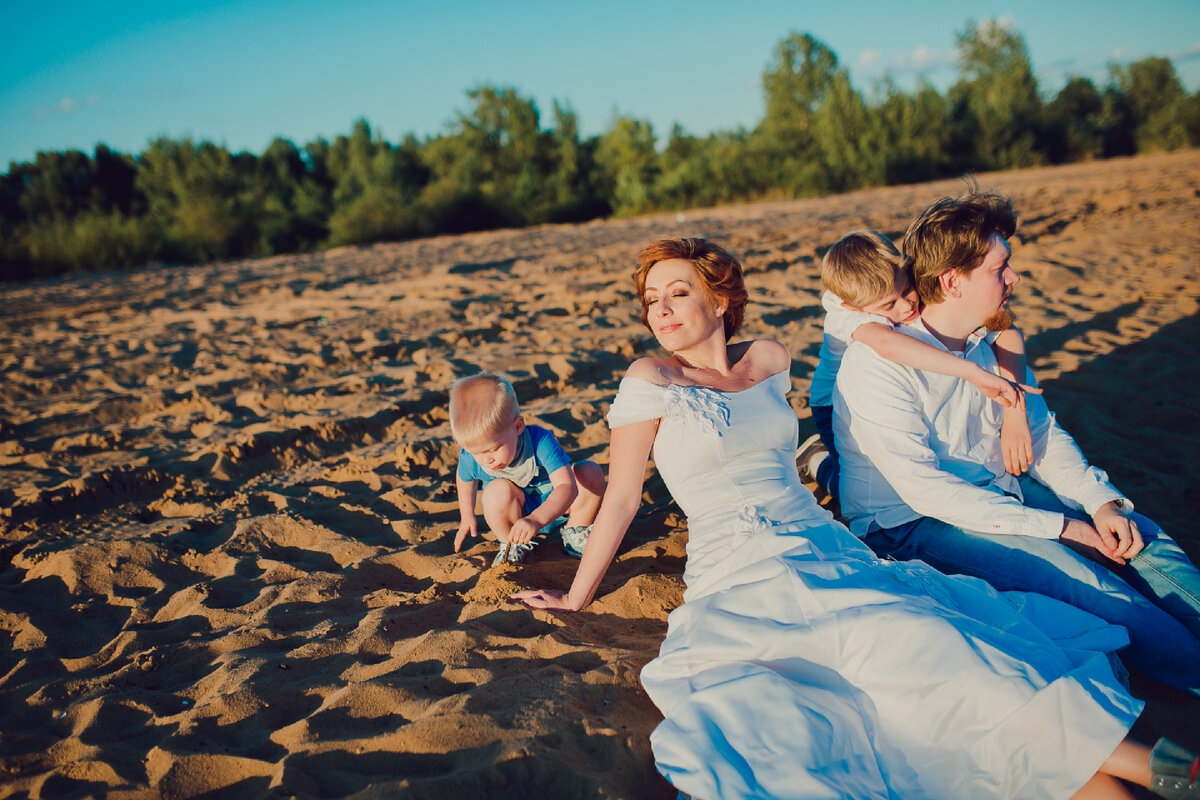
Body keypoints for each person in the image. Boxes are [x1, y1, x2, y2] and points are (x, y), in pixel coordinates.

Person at [512, 237, 1198, 800]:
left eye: (678, 292)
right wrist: (576, 596)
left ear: (721, 298)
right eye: (652, 299)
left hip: (828, 546)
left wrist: (1004, 370)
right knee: (906, 657)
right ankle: (1168, 773)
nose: (661, 310)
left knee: (954, 658)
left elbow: (866, 342)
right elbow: (625, 498)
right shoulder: (650, 381)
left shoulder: (771, 361)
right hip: (743, 571)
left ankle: (1168, 771)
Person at [834, 189, 1200, 698]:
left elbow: (1044, 432)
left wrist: (1101, 503)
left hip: (1004, 489)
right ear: (951, 281)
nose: (1015, 277)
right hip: (912, 524)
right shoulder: (878, 363)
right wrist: (1063, 527)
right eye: (1000, 268)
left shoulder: (990, 340)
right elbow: (928, 492)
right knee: (1090, 586)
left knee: (1137, 537)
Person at [800, 230, 1037, 500]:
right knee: (855, 485)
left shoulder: (889, 284)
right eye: (889, 304)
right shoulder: (844, 315)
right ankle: (816, 462)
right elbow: (888, 344)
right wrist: (972, 371)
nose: (905, 306)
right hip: (832, 403)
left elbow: (1008, 332)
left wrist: (1015, 412)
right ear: (852, 307)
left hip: (884, 398)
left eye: (906, 290)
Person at [449, 372, 606, 564]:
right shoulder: (472, 457)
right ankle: (511, 543)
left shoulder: (540, 441)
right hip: (517, 518)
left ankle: (576, 531)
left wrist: (537, 519)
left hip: (558, 507)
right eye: (476, 452)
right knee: (494, 492)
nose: (486, 459)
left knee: (589, 472)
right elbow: (464, 477)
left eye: (493, 449)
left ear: (518, 426)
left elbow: (567, 486)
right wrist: (467, 515)